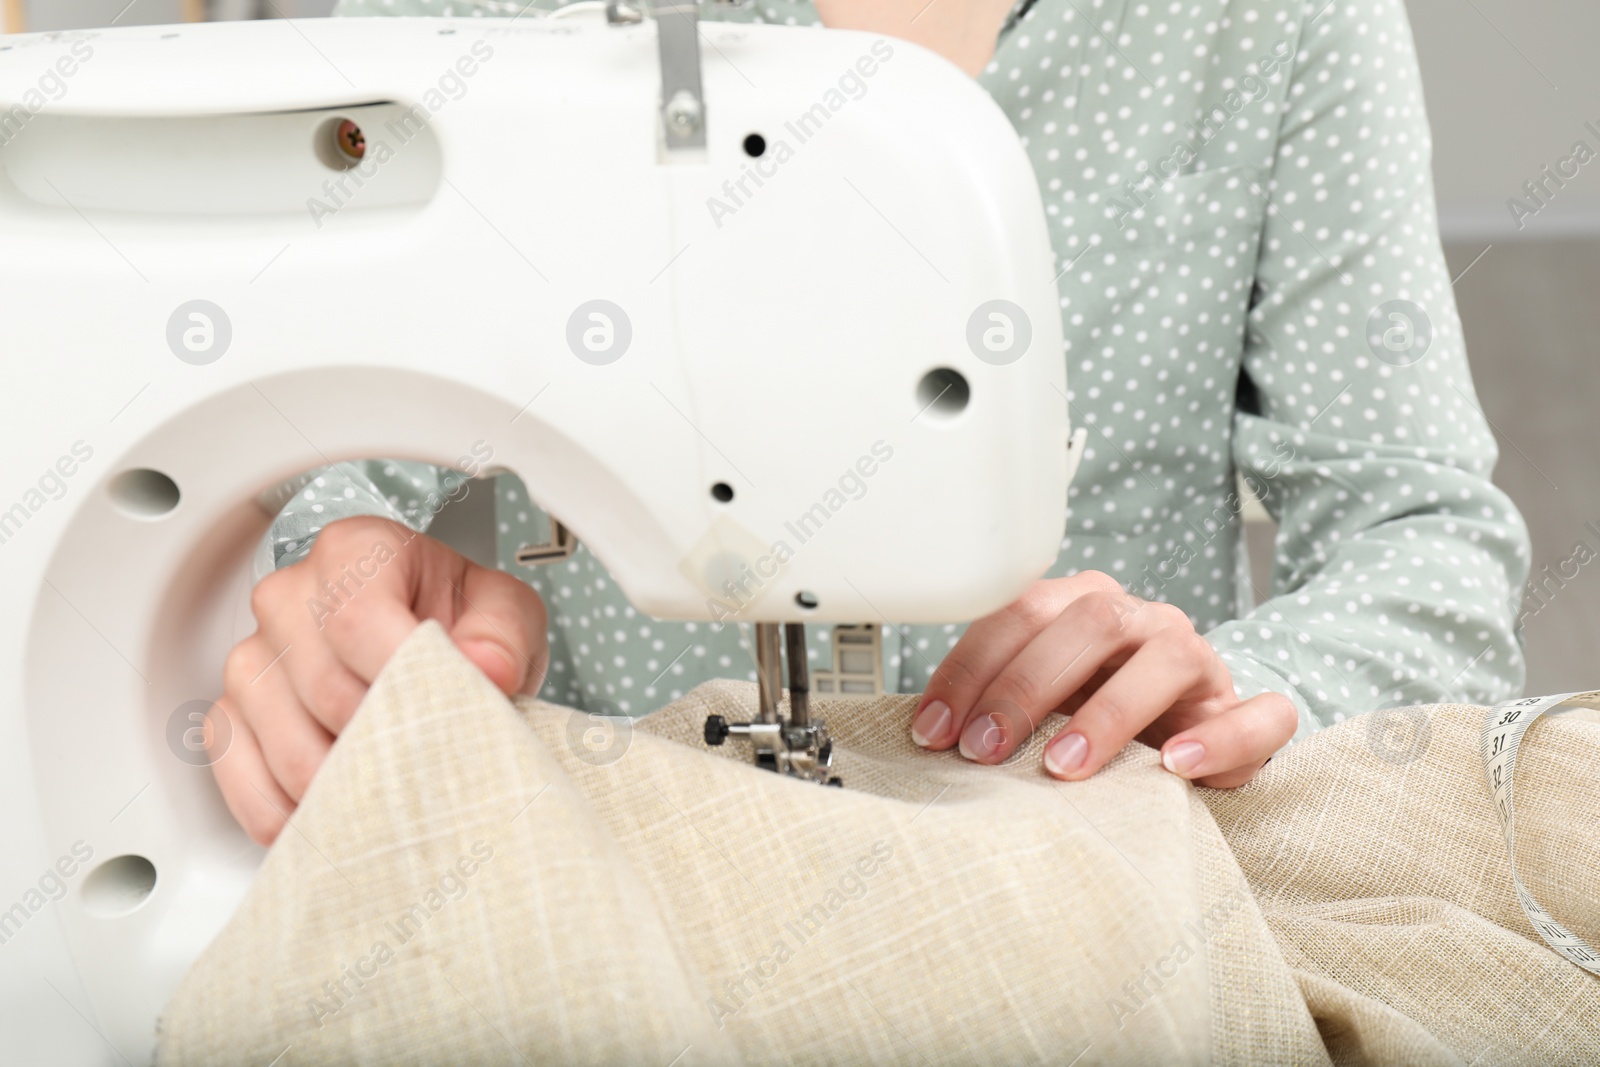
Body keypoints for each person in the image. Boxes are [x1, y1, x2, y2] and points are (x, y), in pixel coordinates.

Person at [212, 0, 1531, 845]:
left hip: (1092, 887)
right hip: (610, 870)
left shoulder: (1274, 23)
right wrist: (330, 588)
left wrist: (1241, 698)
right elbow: (311, 472)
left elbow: (1424, 547)